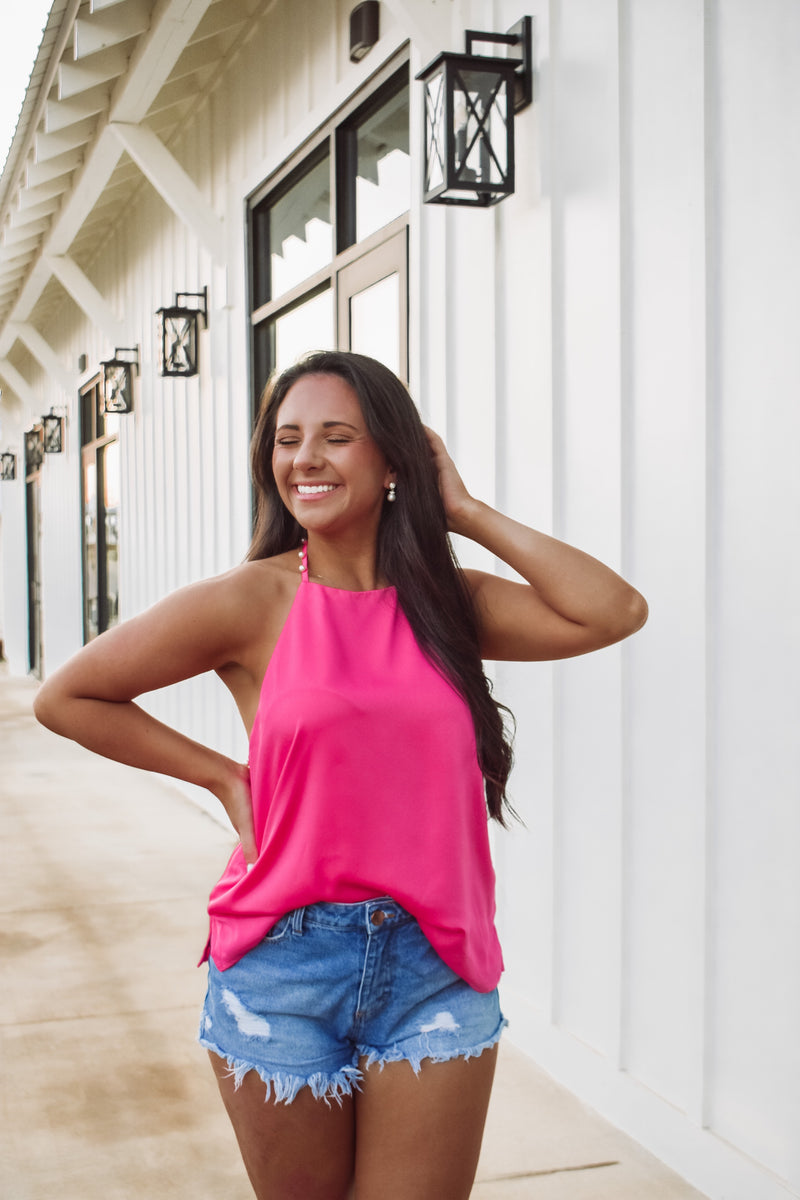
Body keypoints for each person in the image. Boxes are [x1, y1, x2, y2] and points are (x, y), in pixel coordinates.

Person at [33, 350, 647, 1200]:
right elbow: (71, 695)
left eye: (336, 437)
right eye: (287, 440)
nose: (305, 459)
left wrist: (463, 509)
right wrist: (221, 778)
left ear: (393, 459)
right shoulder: (251, 601)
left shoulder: (445, 603)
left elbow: (612, 610)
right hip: (284, 963)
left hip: (436, 961)